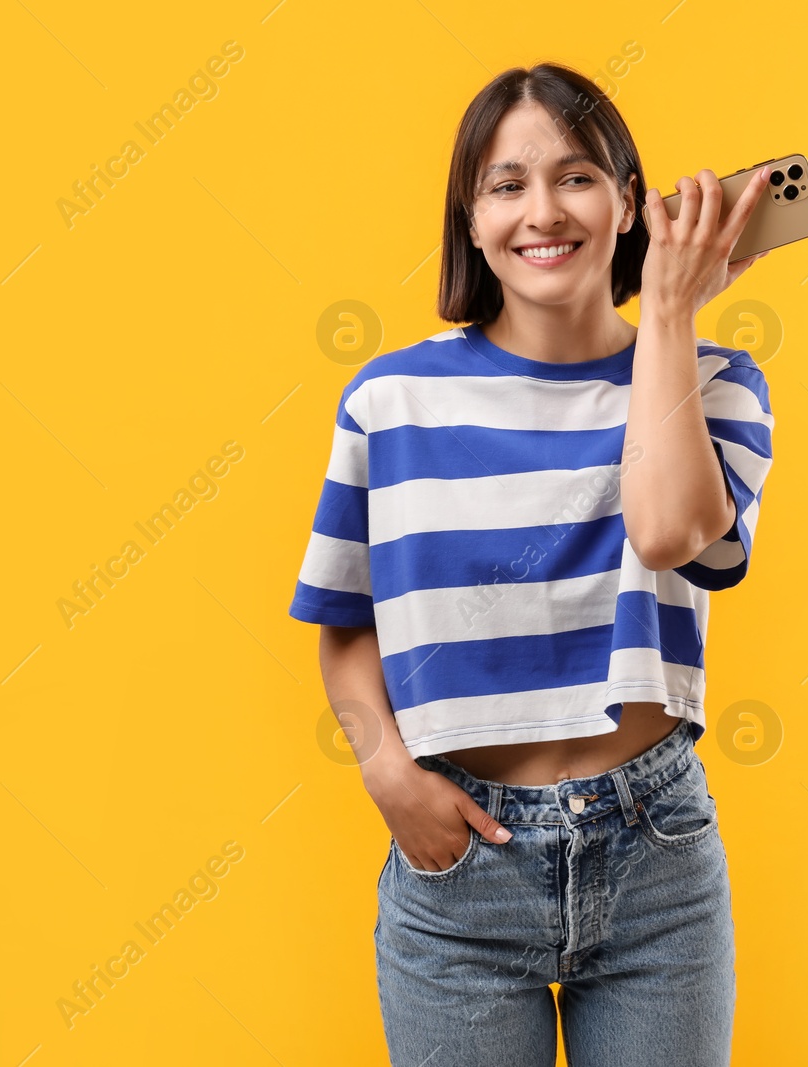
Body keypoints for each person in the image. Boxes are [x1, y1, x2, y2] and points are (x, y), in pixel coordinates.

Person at [288, 61, 775, 1067]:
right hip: (461, 863)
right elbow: (345, 620)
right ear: (470, 222)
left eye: (577, 176)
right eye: (506, 184)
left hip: (655, 856)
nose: (542, 211)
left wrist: (673, 319)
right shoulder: (393, 399)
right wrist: (384, 766)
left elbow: (666, 531)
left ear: (630, 204)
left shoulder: (718, 383)